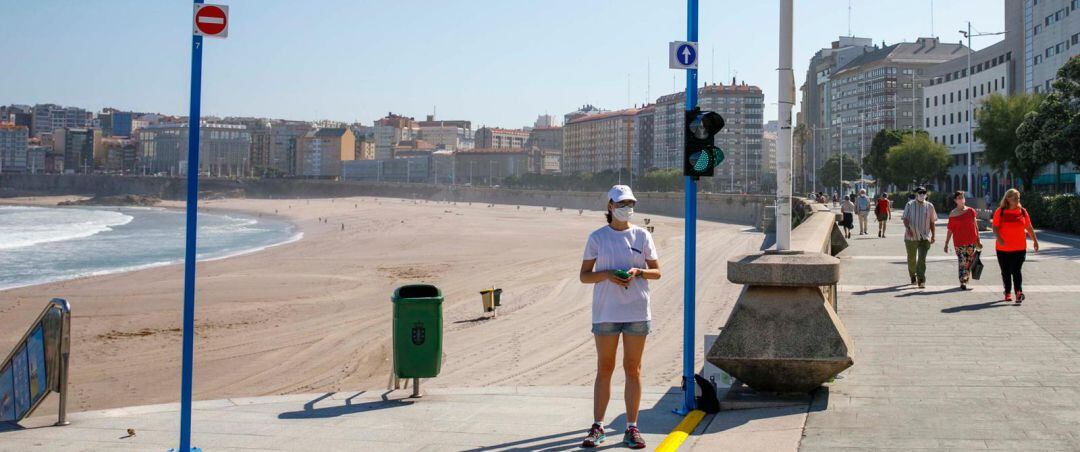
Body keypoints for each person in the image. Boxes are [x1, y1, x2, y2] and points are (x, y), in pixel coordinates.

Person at [579, 185, 661, 449]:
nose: (628, 208)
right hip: (606, 312)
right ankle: (598, 426)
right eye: (622, 203)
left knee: (633, 369)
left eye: (631, 203)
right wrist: (607, 274)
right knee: (605, 368)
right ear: (610, 206)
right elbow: (584, 276)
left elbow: (657, 272)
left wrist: (638, 272)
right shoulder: (597, 238)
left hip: (637, 310)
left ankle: (632, 427)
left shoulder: (642, 236)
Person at [992, 189, 1039, 303]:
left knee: (1016, 270)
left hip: (1019, 248)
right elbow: (995, 227)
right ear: (1007, 199)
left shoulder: (1022, 211)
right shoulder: (1000, 211)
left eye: (1018, 198)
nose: (1017, 200)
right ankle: (1007, 292)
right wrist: (999, 238)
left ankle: (1018, 292)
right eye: (1014, 198)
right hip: (1003, 248)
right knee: (1006, 271)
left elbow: (1028, 227)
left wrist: (1035, 240)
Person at [943, 191, 982, 290]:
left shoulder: (971, 211)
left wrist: (978, 239)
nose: (961, 199)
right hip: (959, 242)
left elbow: (975, 226)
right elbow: (950, 229)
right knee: (962, 261)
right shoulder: (953, 213)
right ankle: (963, 281)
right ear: (955, 200)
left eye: (962, 197)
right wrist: (946, 243)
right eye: (959, 197)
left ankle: (965, 278)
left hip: (971, 241)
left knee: (969, 261)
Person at [902, 186, 936, 288]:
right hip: (911, 237)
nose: (922, 194)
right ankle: (913, 275)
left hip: (925, 237)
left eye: (924, 192)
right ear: (916, 194)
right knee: (912, 259)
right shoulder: (909, 205)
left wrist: (933, 235)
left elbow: (932, 222)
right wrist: (908, 229)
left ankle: (921, 279)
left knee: (922, 259)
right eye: (920, 192)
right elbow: (905, 218)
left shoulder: (930, 206)